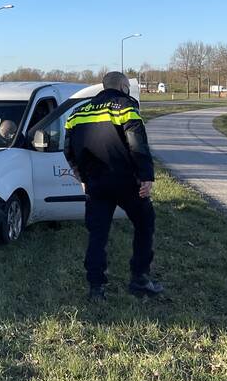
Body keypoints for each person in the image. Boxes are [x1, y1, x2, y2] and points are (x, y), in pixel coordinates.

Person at [63, 71, 164, 300]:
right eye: (127, 86)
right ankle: (140, 279)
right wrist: (147, 176)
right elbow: (138, 145)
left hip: (96, 184)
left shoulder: (78, 112)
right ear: (122, 86)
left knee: (97, 234)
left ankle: (96, 288)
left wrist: (82, 177)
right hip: (128, 182)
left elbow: (67, 149)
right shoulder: (126, 106)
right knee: (145, 224)